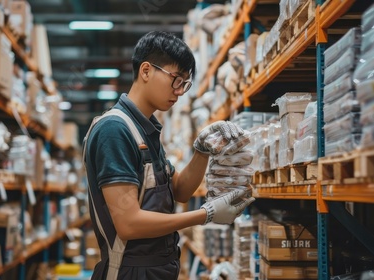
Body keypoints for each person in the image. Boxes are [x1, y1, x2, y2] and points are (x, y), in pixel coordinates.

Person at [82, 31, 255, 279]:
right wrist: (204, 215)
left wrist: (202, 150)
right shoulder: (115, 130)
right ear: (145, 71)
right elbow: (128, 223)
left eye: (185, 83)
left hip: (156, 269)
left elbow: (180, 192)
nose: (180, 91)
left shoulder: (146, 130)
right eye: (176, 79)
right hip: (128, 272)